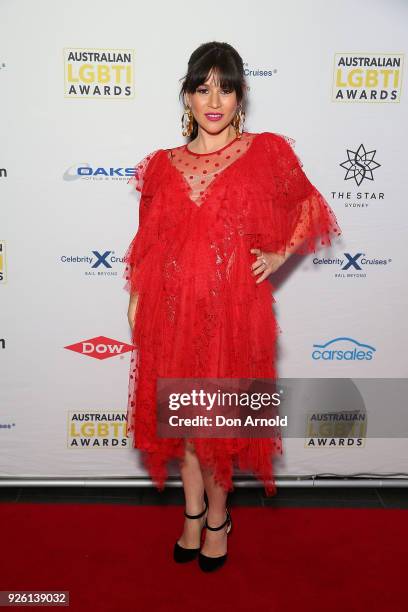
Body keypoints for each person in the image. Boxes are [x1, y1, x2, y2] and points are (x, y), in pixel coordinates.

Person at [122, 41, 342, 572]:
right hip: (172, 314)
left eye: (225, 87)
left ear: (241, 95)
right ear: (188, 97)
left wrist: (278, 253)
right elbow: (146, 241)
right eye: (203, 88)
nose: (213, 99)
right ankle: (192, 515)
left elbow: (310, 204)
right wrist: (137, 301)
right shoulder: (160, 165)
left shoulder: (266, 151)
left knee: (219, 426)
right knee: (189, 427)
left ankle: (219, 520)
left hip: (235, 315)